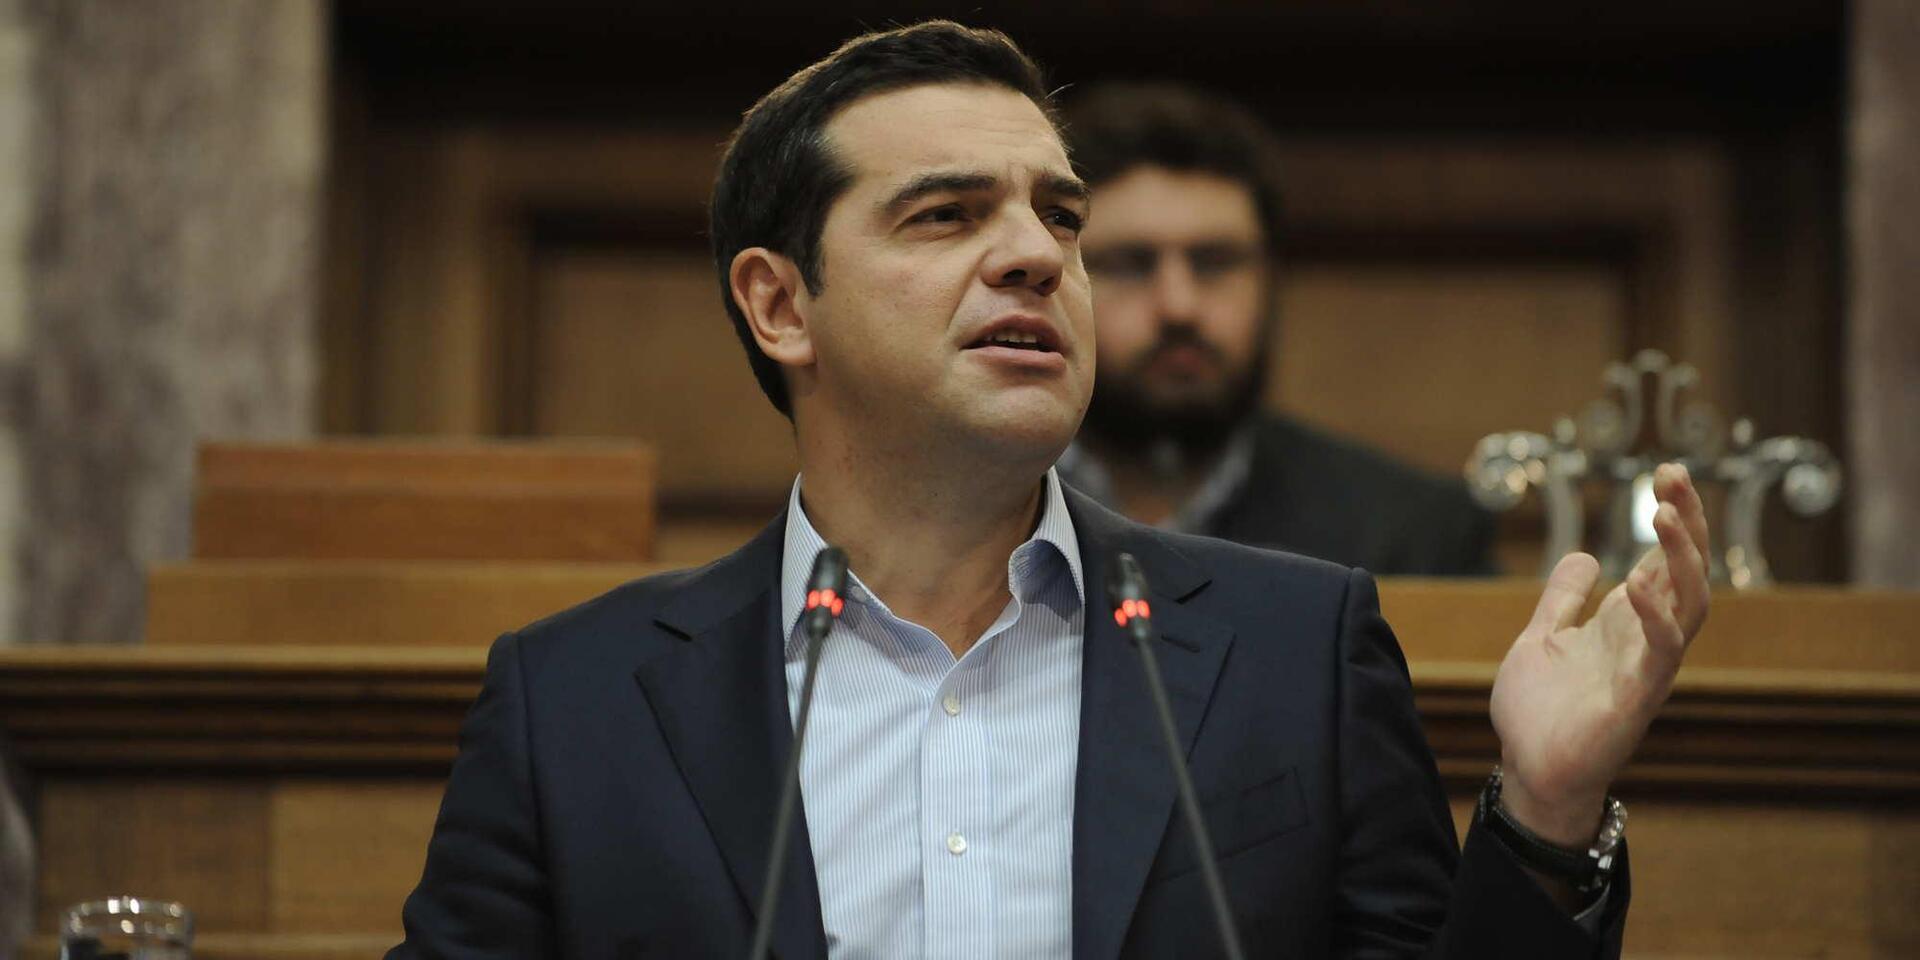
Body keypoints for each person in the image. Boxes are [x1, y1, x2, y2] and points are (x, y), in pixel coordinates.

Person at [389, 21, 1712, 958]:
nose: (1036, 254)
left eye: (1060, 217)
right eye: (946, 214)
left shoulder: (1297, 651)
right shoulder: (576, 700)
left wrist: (1546, 813)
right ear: (780, 304)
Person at [1056, 83, 1498, 576]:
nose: (1179, 306)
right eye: (1130, 264)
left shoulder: (1415, 535)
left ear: (1269, 277)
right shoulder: (991, 506)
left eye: (1215, 262)